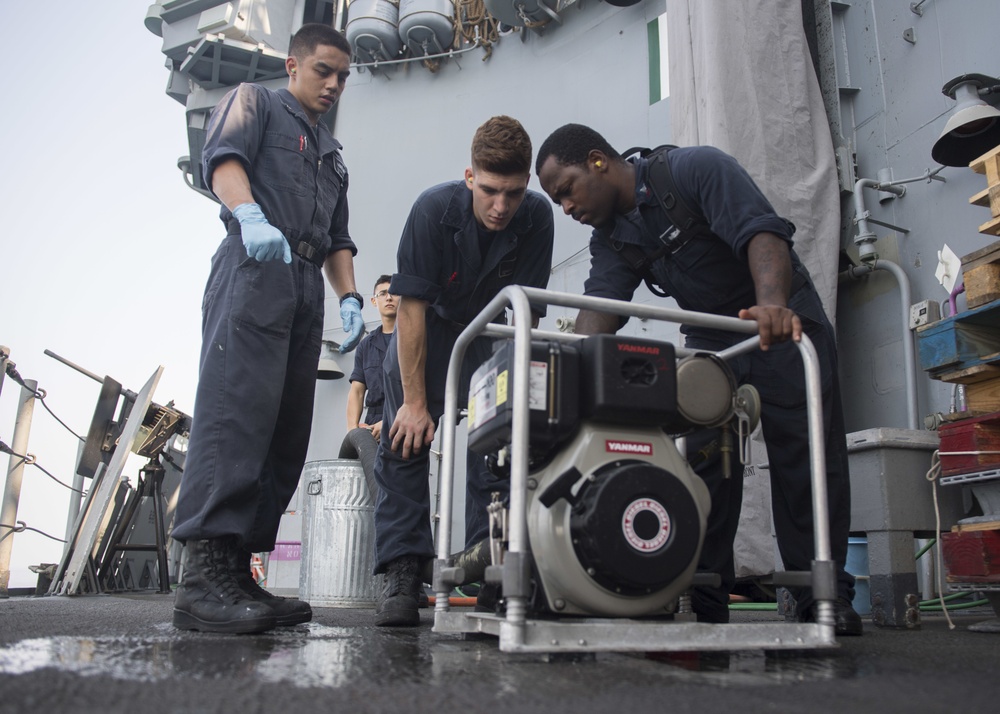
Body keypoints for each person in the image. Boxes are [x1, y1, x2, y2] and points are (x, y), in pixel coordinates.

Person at [535, 124, 862, 636]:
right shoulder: (612, 241)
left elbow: (762, 232)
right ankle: (704, 595)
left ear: (597, 160)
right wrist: (566, 370)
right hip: (713, 337)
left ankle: (820, 596)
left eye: (566, 190)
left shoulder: (692, 170)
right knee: (708, 465)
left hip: (779, 319)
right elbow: (600, 310)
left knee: (806, 460)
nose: (566, 208)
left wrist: (772, 308)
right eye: (557, 201)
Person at [171, 24, 366, 635]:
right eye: (323, 71)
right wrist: (249, 213)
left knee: (284, 428)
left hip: (307, 285)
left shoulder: (332, 154)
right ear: (292, 65)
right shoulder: (254, 102)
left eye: (342, 76)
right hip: (257, 264)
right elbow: (223, 160)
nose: (333, 84)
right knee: (237, 413)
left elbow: (337, 238)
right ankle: (202, 574)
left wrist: (351, 297)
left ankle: (237, 569)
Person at [373, 115, 555, 627]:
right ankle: (405, 572)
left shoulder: (537, 217)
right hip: (426, 334)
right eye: (491, 190)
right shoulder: (433, 209)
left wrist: (515, 396)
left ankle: (489, 569)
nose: (502, 207)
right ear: (470, 176)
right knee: (404, 442)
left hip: (491, 336)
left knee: (497, 451)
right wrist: (413, 402)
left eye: (514, 193)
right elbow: (409, 310)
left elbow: (526, 313)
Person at [340, 275, 397, 497]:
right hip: (371, 429)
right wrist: (353, 431)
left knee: (397, 494)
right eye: (383, 293)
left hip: (401, 424)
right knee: (369, 496)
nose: (389, 297)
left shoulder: (412, 338)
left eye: (394, 292)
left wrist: (389, 422)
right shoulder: (366, 345)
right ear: (374, 301)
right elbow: (356, 391)